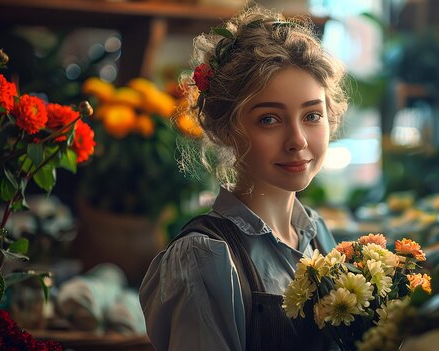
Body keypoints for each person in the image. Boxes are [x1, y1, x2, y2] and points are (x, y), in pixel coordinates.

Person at [139, 5, 348, 351]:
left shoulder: (317, 235)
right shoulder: (204, 258)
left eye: (312, 115)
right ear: (225, 130)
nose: (297, 140)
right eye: (269, 119)